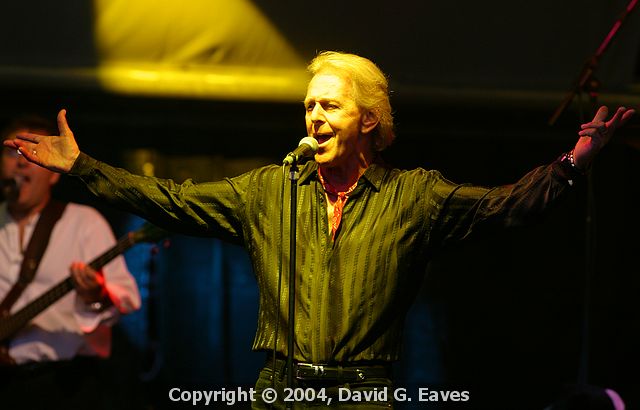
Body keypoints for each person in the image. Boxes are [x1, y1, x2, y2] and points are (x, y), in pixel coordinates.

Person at [3, 51, 635, 409]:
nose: (314, 114)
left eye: (330, 103)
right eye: (309, 104)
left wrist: (572, 164)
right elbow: (170, 200)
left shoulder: (412, 197)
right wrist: (84, 168)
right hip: (279, 391)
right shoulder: (270, 189)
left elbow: (504, 208)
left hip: (364, 396)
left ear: (369, 121)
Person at [0, 115, 141, 409]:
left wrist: (95, 294)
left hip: (64, 385)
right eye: (14, 151)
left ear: (53, 172)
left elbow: (126, 298)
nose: (22, 161)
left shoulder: (84, 222)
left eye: (33, 152)